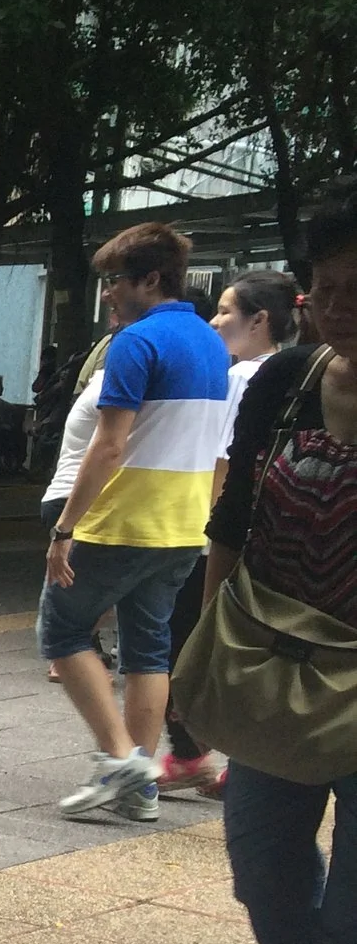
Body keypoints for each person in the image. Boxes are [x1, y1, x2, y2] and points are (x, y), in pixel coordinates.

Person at [204, 179, 357, 944]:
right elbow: (229, 528)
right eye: (326, 291)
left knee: (354, 924)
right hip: (273, 669)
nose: (340, 309)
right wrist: (202, 655)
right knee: (263, 871)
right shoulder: (288, 380)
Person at [40, 221, 232, 822]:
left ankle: (124, 762)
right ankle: (139, 784)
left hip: (122, 519)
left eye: (113, 281)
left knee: (63, 631)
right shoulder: (209, 343)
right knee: (148, 648)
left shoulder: (136, 341)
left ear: (150, 279)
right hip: (182, 524)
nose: (107, 294)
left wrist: (65, 527)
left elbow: (109, 445)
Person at [163, 268, 298, 795]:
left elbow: (226, 464)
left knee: (192, 638)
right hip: (269, 537)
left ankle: (195, 750)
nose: (215, 321)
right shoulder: (292, 372)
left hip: (218, 534)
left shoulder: (244, 377)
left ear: (260, 320)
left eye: (225, 311)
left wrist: (212, 539)